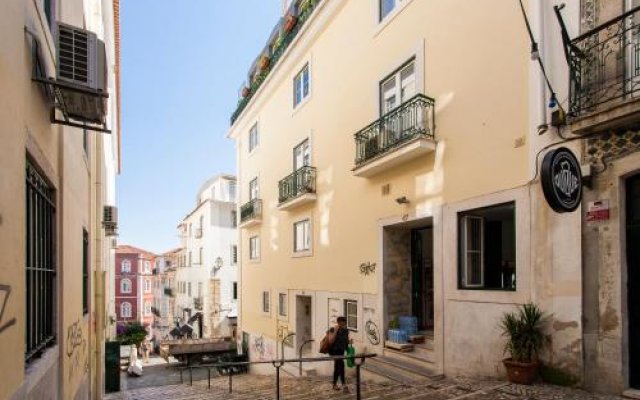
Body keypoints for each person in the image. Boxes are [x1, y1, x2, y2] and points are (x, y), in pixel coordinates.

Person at [327, 316, 351, 392]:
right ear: (338, 323)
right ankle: (343, 384)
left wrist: (349, 342)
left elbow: (345, 341)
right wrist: (336, 331)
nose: (343, 326)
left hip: (341, 351)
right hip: (334, 351)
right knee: (340, 365)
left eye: (344, 324)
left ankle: (335, 384)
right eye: (341, 324)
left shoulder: (346, 331)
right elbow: (331, 341)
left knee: (338, 367)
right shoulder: (332, 329)